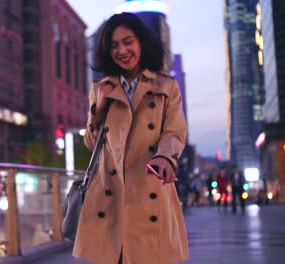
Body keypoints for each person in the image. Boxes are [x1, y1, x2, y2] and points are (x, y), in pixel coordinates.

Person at [73, 13, 189, 264]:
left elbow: (175, 131)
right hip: (109, 196)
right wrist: (99, 108)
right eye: (114, 45)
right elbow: (92, 144)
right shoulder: (101, 88)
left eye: (128, 41)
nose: (122, 51)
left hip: (150, 188)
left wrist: (165, 158)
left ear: (141, 43)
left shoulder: (166, 87)